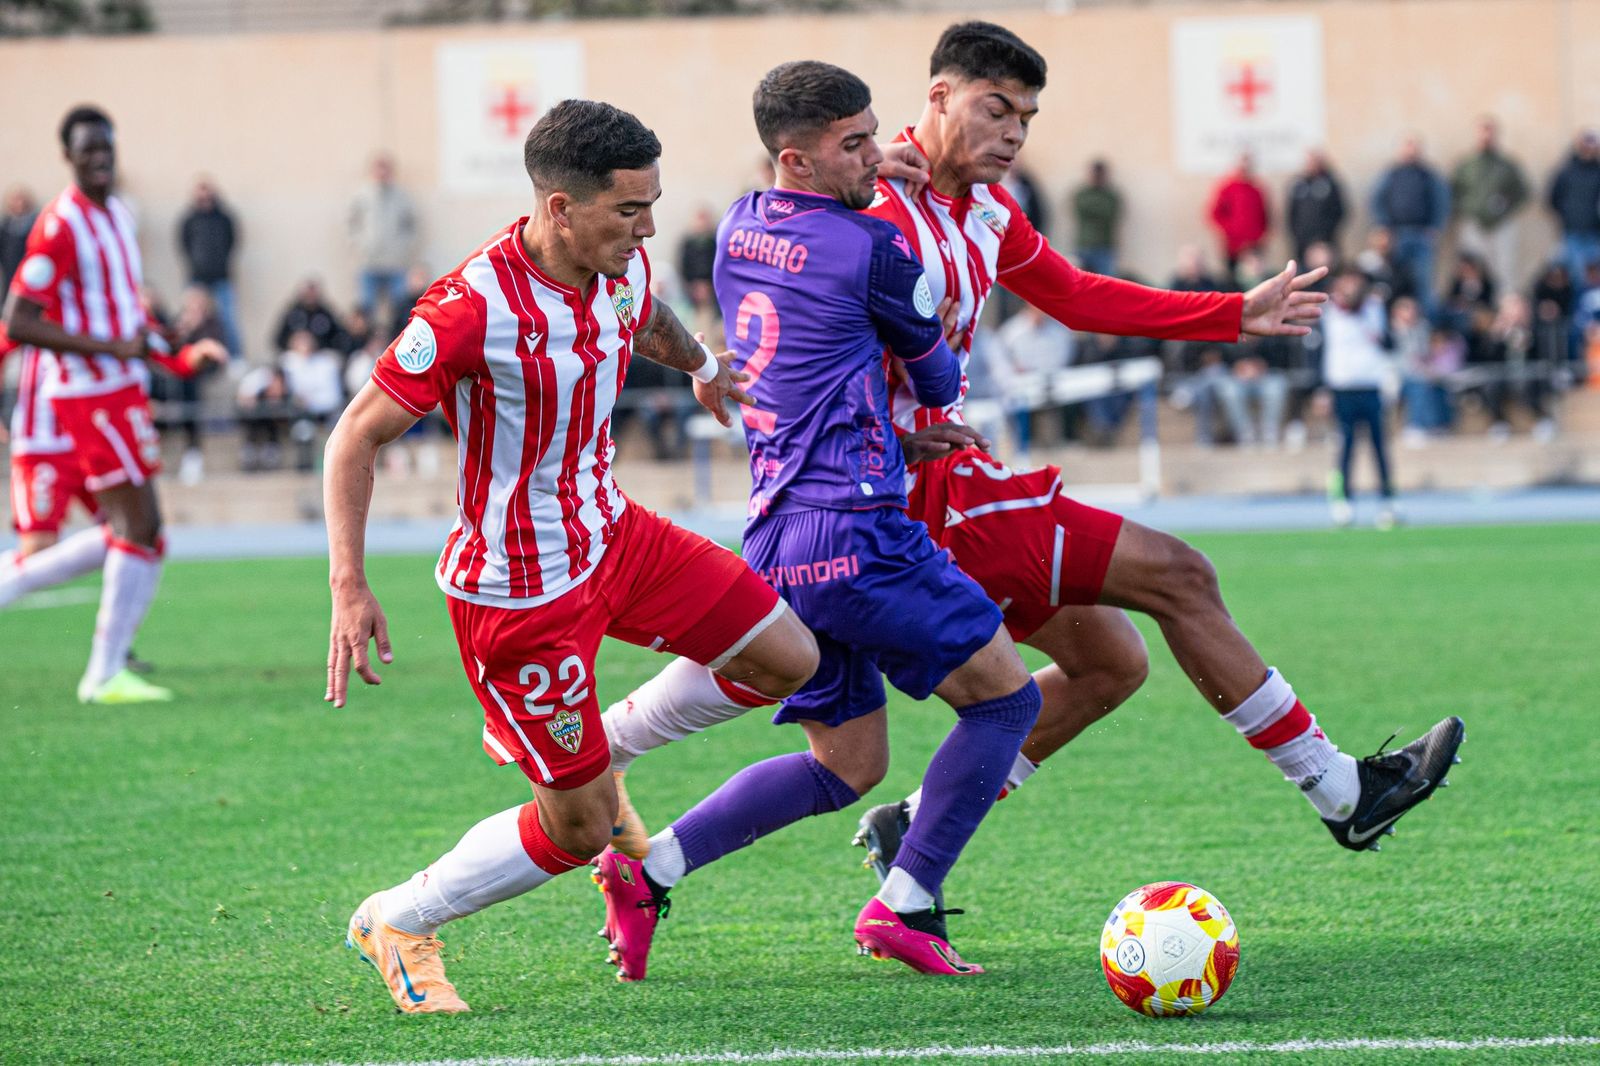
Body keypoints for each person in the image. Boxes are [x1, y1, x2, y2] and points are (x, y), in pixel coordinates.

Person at [602, 22, 1464, 900]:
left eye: (1026, 117)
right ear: (936, 100)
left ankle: (882, 824)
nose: (1014, 133)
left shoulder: (985, 212)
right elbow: (783, 263)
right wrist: (744, 374)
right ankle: (1338, 788)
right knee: (1179, 576)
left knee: (1108, 666)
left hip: (918, 492)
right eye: (995, 108)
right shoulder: (869, 204)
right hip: (905, 504)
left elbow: (1077, 296)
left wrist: (1229, 313)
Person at [324, 99, 817, 1015]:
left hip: (615, 535)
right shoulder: (471, 310)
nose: (649, 228)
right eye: (629, 211)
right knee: (583, 826)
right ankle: (397, 918)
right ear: (559, 208)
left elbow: (648, 313)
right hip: (518, 594)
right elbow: (355, 435)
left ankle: (604, 745)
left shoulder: (615, 267)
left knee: (786, 658)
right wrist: (349, 585)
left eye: (653, 204)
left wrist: (705, 366)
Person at [593, 60, 1037, 981]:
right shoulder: (875, 249)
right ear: (796, 157)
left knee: (849, 763)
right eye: (855, 144)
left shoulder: (736, 233)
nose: (877, 155)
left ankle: (651, 869)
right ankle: (904, 903)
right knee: (1008, 700)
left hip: (776, 536)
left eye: (876, 134)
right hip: (860, 533)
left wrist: (874, 423)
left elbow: (810, 359)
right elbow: (941, 375)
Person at [1, 105, 225, 702]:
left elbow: (128, 315)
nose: (100, 158)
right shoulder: (60, 225)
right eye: (87, 149)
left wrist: (176, 353)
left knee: (141, 532)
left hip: (120, 387)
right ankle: (102, 673)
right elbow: (18, 321)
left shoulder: (119, 214)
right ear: (66, 156)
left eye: (107, 147)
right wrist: (113, 347)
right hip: (88, 393)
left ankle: (29, 600)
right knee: (141, 527)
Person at [1322, 267, 1397, 528]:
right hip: (1343, 388)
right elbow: (1320, 351)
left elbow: (1388, 343)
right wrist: (1321, 389)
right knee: (1347, 446)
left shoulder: (1375, 309)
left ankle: (1387, 501)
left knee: (1379, 446)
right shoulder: (1330, 312)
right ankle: (1344, 501)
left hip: (1371, 385)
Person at [1371, 136, 1450, 314]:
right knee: (1395, 282)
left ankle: (1425, 322)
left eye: (1413, 148)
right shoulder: (1391, 175)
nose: (1410, 152)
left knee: (1423, 283)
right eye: (1407, 147)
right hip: (1396, 236)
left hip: (1422, 235)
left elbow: (1441, 201)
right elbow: (1377, 200)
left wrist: (1435, 227)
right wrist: (1383, 226)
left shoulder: (1428, 175)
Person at [1451, 117, 1529, 291]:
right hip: (1474, 223)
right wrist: (1469, 208)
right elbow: (1454, 192)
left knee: (1504, 268)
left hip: (1501, 224)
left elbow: (1523, 193)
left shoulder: (1506, 164)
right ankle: (1475, 307)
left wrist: (1505, 207)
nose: (1486, 136)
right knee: (1472, 267)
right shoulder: (1466, 164)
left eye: (1490, 132)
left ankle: (1505, 308)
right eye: (1482, 132)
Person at [176, 179, 240, 356]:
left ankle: (234, 356)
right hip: (197, 275)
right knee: (189, 318)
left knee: (227, 318)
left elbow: (232, 241)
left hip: (220, 275)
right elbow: (184, 243)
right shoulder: (190, 219)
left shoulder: (224, 218)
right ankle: (185, 353)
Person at [348, 154, 417, 318]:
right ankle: (368, 343)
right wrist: (359, 245)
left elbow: (412, 225)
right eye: (378, 169)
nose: (382, 173)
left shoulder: (402, 197)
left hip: (396, 263)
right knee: (366, 307)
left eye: (385, 169)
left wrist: (404, 247)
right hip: (368, 261)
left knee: (400, 308)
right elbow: (350, 222)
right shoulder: (361, 196)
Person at [1547, 129, 1600, 284]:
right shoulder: (1566, 171)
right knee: (1575, 274)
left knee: (1594, 276)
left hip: (1595, 232)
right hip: (1572, 231)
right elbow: (1553, 198)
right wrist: (1568, 216)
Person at [1207, 152, 1270, 280]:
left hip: (1254, 246)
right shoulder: (1227, 187)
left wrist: (1259, 237)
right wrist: (1231, 231)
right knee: (1232, 281)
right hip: (1232, 246)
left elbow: (1265, 217)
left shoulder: (1257, 189)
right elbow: (1215, 214)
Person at [1286, 150, 1346, 264]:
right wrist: (1297, 234)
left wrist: (1325, 234)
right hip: (1302, 241)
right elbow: (1291, 213)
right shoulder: (1298, 185)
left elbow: (1339, 211)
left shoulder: (1330, 184)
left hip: (1325, 240)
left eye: (1314, 161)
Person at [1070, 158, 1121, 276]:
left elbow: (1109, 213)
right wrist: (1098, 208)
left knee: (1107, 282)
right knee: (1077, 281)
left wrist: (1092, 209)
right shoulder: (1082, 193)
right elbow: (1080, 209)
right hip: (1083, 245)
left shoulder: (1111, 196)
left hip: (1104, 247)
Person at [0, 187, 38, 292]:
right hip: (10, 274)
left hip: (30, 273)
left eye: (21, 200)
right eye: (15, 200)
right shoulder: (6, 225)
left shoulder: (35, 224)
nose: (19, 204)